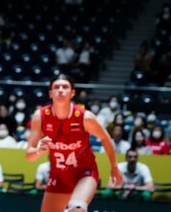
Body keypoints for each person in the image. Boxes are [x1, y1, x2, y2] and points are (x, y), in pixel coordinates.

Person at [26, 74, 122, 212]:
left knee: (77, 209)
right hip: (58, 176)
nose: (60, 90)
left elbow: (106, 139)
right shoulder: (40, 116)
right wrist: (38, 150)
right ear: (50, 93)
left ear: (72, 93)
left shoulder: (85, 117)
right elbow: (29, 156)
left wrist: (114, 167)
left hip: (84, 173)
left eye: (65, 87)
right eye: (56, 87)